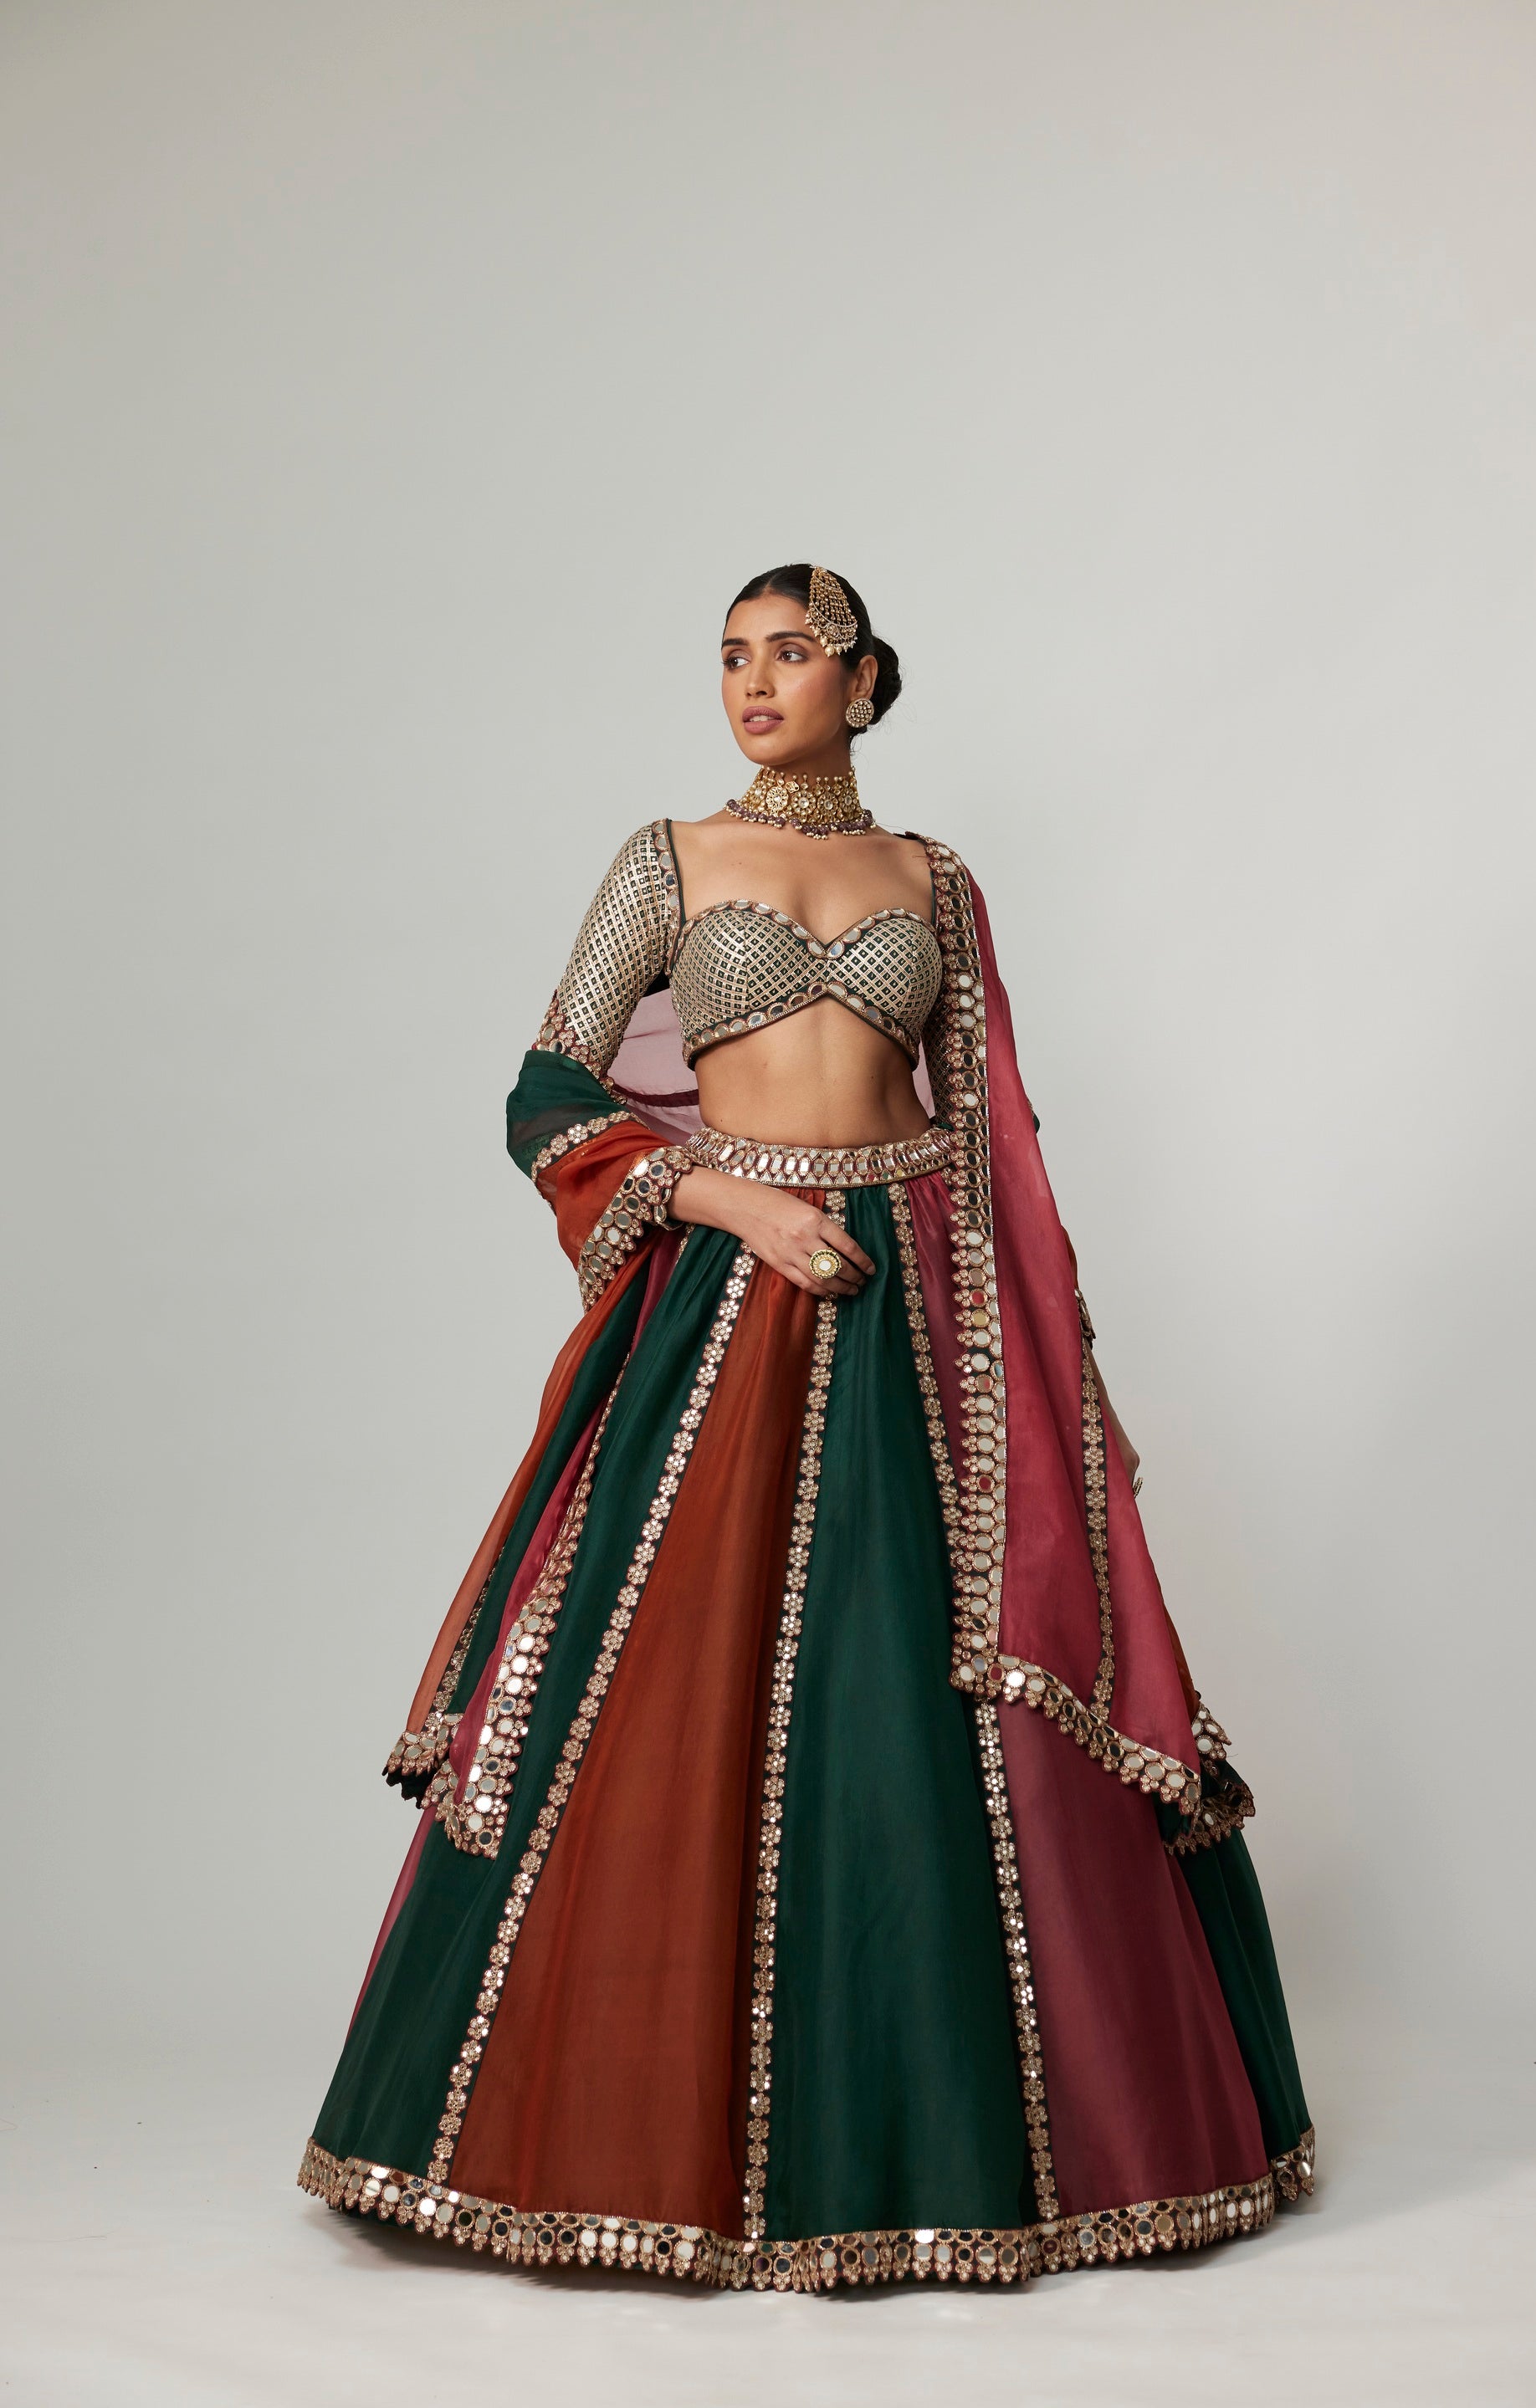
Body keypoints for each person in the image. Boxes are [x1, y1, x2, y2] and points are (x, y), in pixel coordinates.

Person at [299, 564, 1313, 2291]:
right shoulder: (669, 862)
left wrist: (1068, 1388)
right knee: (666, 1687)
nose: (754, 682)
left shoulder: (936, 881)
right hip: (735, 1293)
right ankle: (638, 2138)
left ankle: (983, 2143)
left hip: (920, 1295)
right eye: (731, 657)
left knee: (928, 1684)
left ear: (864, 680)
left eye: (790, 652)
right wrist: (729, 1199)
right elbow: (548, 1087)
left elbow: (995, 1141)